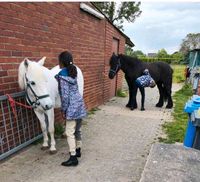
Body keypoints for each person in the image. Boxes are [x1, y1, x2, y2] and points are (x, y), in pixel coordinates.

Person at [55, 51, 87, 167]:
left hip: (72, 107)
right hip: (79, 104)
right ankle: (78, 150)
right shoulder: (73, 72)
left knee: (69, 132)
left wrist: (64, 110)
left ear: (62, 62)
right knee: (77, 130)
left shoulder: (62, 76)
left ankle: (73, 157)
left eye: (58, 60)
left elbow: (65, 95)